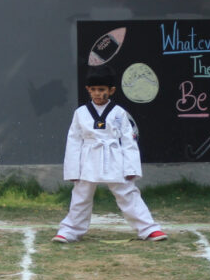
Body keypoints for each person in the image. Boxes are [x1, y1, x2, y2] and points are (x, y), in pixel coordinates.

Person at [53, 64, 167, 243]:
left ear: (111, 90)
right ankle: (70, 231)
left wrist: (131, 168)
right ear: (88, 89)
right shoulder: (80, 113)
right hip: (88, 158)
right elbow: (74, 142)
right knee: (81, 196)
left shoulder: (119, 113)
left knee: (127, 192)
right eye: (93, 90)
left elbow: (128, 141)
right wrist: (72, 170)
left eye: (102, 90)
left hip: (114, 157)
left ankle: (148, 228)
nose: (97, 93)